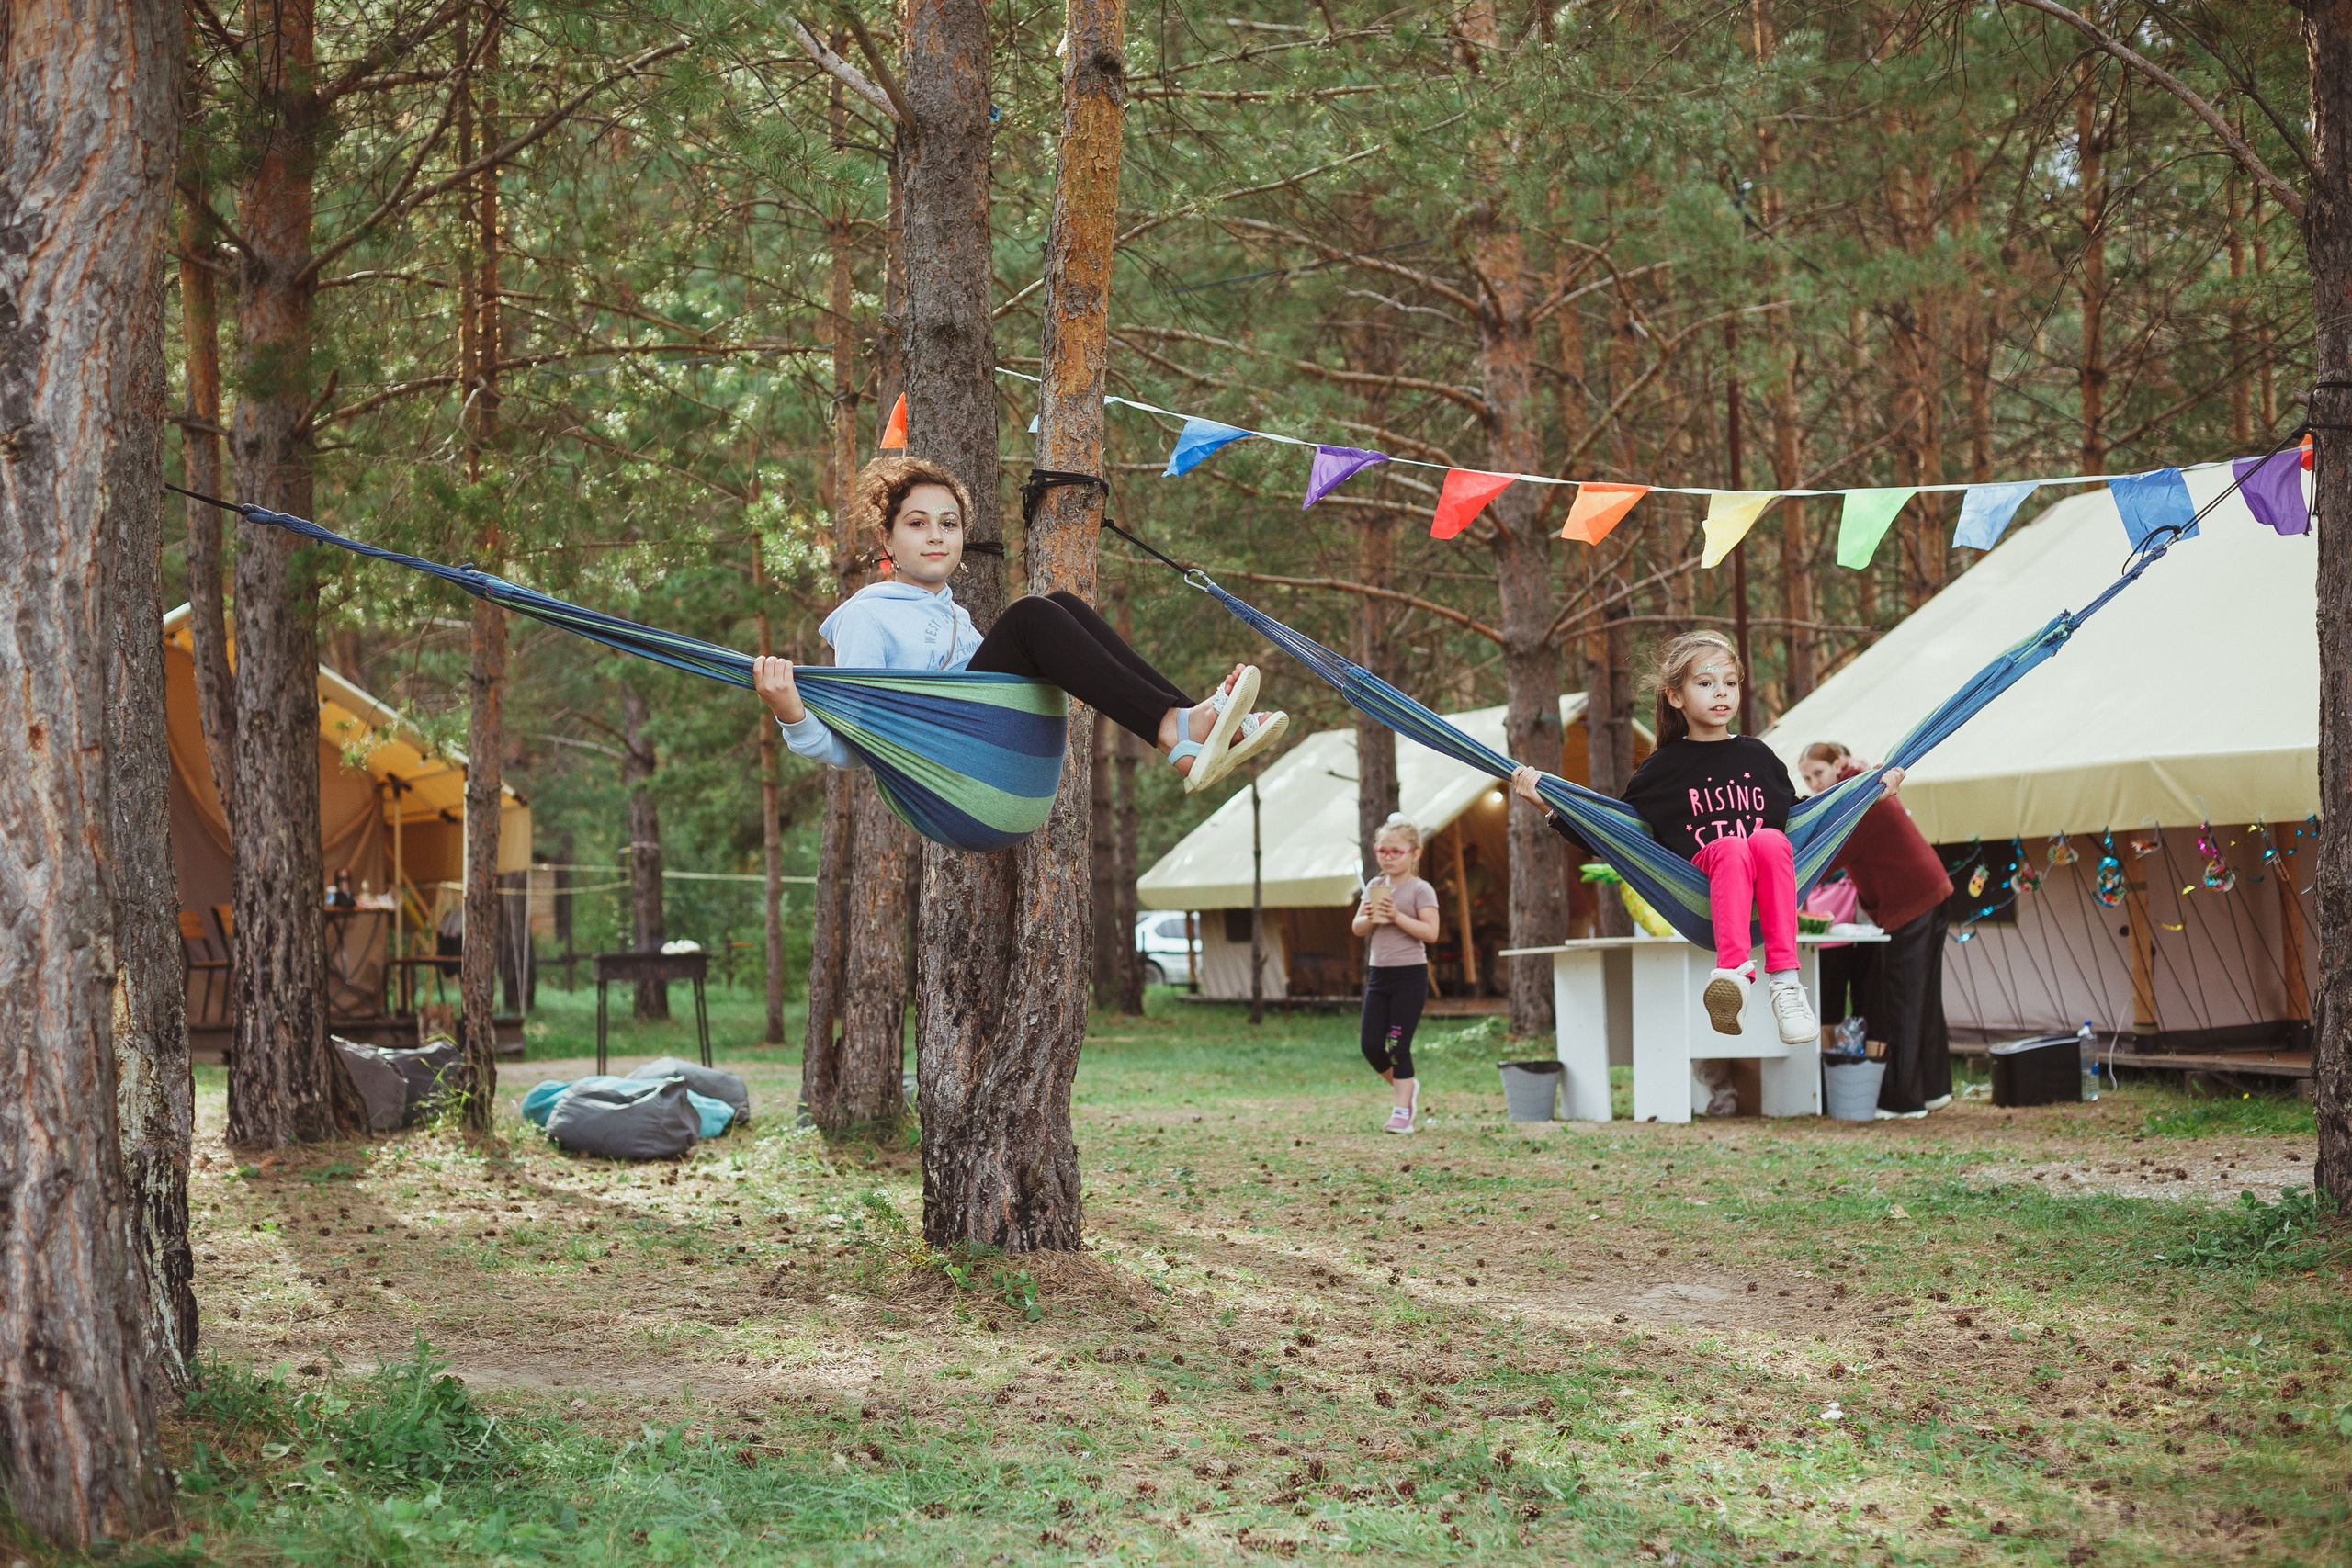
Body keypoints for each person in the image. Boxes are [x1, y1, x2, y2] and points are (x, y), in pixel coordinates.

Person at [752, 456, 1286, 791]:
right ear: (887, 542)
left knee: (1059, 604)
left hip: (987, 736)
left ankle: (1189, 723)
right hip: (947, 760)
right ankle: (1176, 730)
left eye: (949, 523)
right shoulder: (868, 614)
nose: (936, 535)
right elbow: (854, 742)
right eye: (917, 524)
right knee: (1032, 615)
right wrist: (792, 715)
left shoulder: (955, 616)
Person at [1510, 631, 1902, 1043]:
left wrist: (1866, 795)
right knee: (1731, 846)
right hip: (1703, 892)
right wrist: (1549, 807)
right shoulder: (1661, 770)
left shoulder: (1758, 755)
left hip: (1765, 889)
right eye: (1706, 683)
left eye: (1730, 683)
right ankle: (1732, 974)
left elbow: (1803, 815)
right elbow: (1617, 838)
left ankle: (1785, 983)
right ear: (1675, 696)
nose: (1722, 693)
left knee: (1770, 839)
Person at [1798, 741, 1954, 1117]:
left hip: (1910, 897)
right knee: (1923, 998)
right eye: (1806, 778)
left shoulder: (1858, 798)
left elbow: (1826, 856)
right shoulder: (1861, 786)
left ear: (1838, 765)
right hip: (1931, 889)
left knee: (1901, 997)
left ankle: (1902, 1100)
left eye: (1818, 774)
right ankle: (1934, 1091)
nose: (1815, 783)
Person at [1352, 815, 1442, 1134]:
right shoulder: (1375, 887)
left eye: (1395, 852)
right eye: (1381, 852)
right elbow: (1358, 928)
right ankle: (1407, 1087)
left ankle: (1401, 1112)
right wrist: (1372, 917)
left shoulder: (1421, 890)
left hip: (1410, 976)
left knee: (1397, 1046)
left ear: (1414, 854)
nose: (1387, 858)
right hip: (1379, 976)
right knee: (1371, 1046)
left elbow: (1430, 933)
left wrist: (1397, 916)